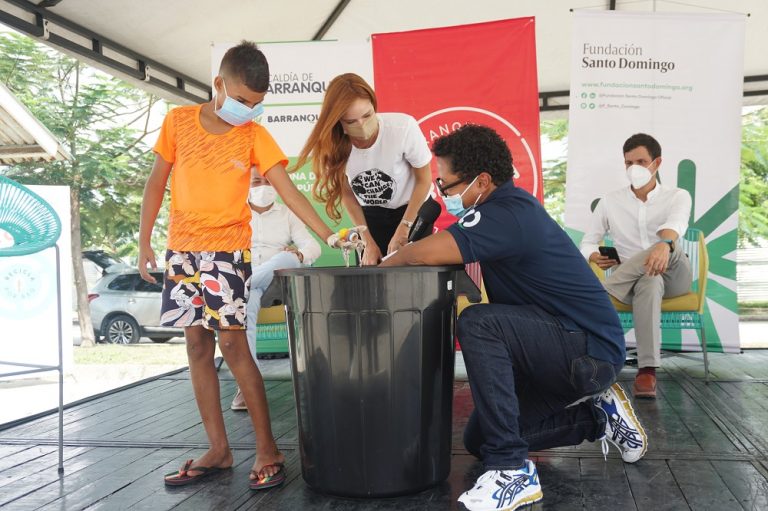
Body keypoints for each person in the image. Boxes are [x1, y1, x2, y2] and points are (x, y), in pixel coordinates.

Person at [381, 125, 647, 511]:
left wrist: (389, 259)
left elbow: (420, 254)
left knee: (478, 322)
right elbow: (434, 251)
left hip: (587, 350)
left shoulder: (506, 213)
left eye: (447, 185)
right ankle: (599, 419)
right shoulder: (497, 211)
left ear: (482, 180)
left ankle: (511, 471)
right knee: (479, 439)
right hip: (559, 351)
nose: (444, 194)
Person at [138, 41, 346, 490]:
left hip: (228, 252)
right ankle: (219, 449)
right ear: (219, 84)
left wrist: (329, 235)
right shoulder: (177, 122)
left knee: (233, 346)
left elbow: (289, 191)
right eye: (243, 100)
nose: (248, 109)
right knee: (195, 346)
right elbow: (156, 183)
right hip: (181, 251)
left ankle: (267, 448)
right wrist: (144, 243)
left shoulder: (253, 135)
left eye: (257, 103)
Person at [580, 133, 692, 399]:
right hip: (635, 283)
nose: (634, 168)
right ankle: (648, 371)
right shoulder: (610, 201)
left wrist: (663, 246)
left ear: (657, 163)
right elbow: (588, 241)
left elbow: (675, 226)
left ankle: (602, 293)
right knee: (650, 280)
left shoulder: (678, 196)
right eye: (629, 163)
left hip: (675, 273)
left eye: (641, 161)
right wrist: (595, 256)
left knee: (664, 247)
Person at [294, 73, 433, 265]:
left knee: (412, 272)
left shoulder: (403, 128)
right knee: (371, 273)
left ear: (374, 107)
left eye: (367, 115)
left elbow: (424, 180)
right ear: (338, 123)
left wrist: (405, 226)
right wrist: (367, 241)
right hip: (370, 215)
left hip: (413, 209)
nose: (362, 125)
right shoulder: (331, 145)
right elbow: (347, 194)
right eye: (351, 121)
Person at [230, 171, 321, 410]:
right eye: (257, 182)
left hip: (277, 281)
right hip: (247, 277)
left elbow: (312, 246)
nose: (263, 186)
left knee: (286, 257)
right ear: (246, 184)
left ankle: (246, 285)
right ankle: (248, 385)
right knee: (246, 307)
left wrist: (300, 253)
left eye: (268, 181)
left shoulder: (288, 213)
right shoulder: (234, 211)